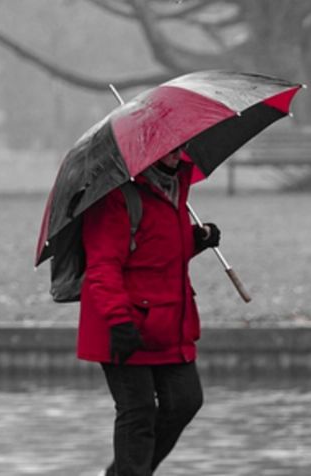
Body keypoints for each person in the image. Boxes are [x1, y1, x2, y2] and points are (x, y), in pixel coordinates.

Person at [77, 145, 221, 476]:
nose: (178, 156)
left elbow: (157, 254)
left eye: (181, 148)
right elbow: (102, 267)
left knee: (185, 401)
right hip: (123, 325)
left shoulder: (175, 189)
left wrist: (197, 239)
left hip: (168, 323)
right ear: (148, 152)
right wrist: (119, 321)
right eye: (170, 150)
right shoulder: (116, 198)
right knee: (138, 411)